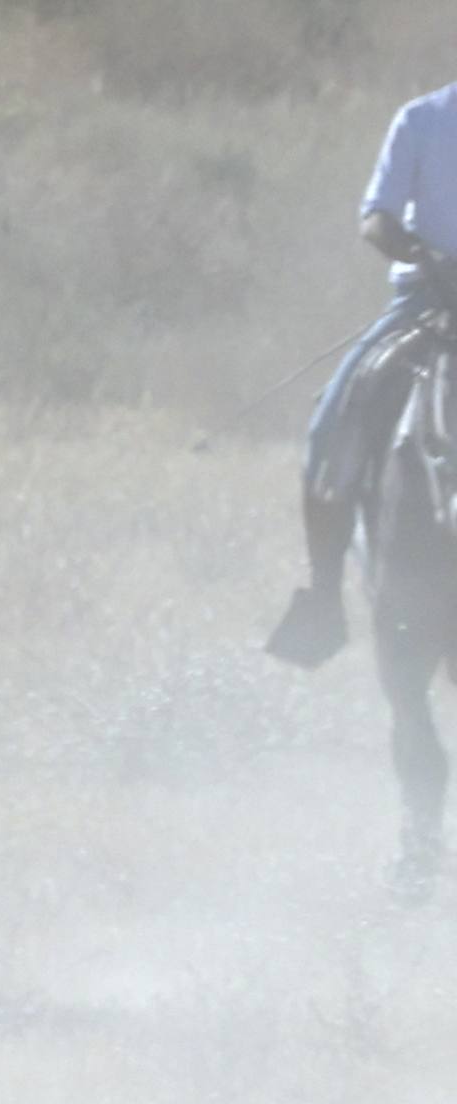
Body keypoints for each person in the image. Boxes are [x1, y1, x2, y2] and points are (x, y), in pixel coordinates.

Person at [272, 80, 457, 665]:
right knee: (334, 414)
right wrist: (421, 255)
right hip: (429, 300)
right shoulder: (423, 120)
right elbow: (375, 217)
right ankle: (324, 595)